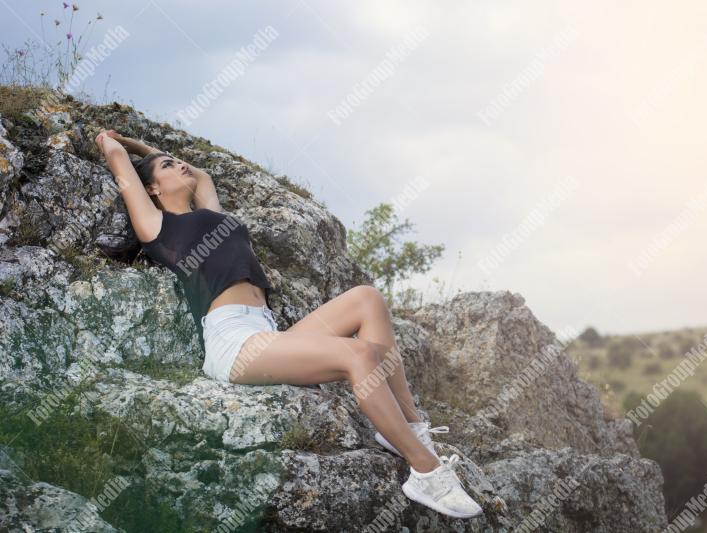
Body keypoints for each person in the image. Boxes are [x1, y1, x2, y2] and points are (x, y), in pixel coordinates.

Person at [94, 129, 483, 519]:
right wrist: (116, 141)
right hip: (234, 344)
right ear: (153, 189)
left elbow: (204, 176)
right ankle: (425, 471)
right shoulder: (158, 227)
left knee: (367, 299)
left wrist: (153, 151)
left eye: (177, 161)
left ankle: (409, 429)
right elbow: (116, 158)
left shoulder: (213, 215)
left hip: (266, 332)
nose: (179, 164)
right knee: (360, 356)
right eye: (167, 166)